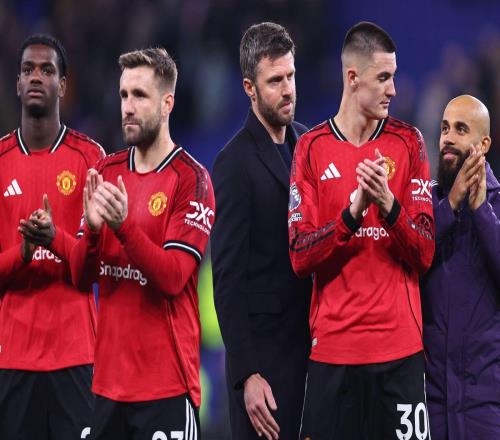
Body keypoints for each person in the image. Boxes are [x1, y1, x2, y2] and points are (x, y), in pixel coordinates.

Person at [288, 21, 435, 439]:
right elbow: (300, 256)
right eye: (383, 77)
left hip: (399, 354)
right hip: (334, 355)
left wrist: (388, 206)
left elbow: (425, 252)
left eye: (394, 77)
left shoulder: (409, 143)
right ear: (352, 78)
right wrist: (352, 216)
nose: (394, 90)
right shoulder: (312, 148)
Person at [70, 47, 214, 439]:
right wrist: (94, 232)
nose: (128, 107)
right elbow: (80, 278)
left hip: (166, 389)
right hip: (106, 389)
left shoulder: (191, 180)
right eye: (123, 95)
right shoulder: (105, 171)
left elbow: (172, 277)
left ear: (167, 103)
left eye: (140, 95)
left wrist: (123, 227)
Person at [211, 22, 312, 440]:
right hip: (265, 368)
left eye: (291, 76)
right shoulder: (232, 164)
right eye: (275, 81)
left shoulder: (308, 145)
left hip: (312, 355)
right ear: (249, 88)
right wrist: (247, 375)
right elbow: (227, 281)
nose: (287, 90)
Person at [0, 34, 104, 440]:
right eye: (28, 69)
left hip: (76, 357)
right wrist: (23, 253)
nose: (36, 77)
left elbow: (92, 269)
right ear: (17, 84)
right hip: (13, 361)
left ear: (63, 85)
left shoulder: (90, 159)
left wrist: (53, 238)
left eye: (47, 70)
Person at [420, 95, 500, 440]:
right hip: (432, 402)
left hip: (485, 404)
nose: (447, 139)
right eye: (444, 128)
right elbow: (410, 262)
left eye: (461, 129)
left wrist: (481, 211)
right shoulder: (425, 206)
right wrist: (450, 206)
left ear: (484, 144)